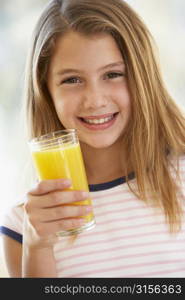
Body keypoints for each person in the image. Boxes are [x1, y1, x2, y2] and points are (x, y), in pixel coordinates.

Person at [1, 0, 185, 278]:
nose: (95, 100)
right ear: (46, 89)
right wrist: (38, 248)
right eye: (72, 80)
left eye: (113, 74)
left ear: (142, 78)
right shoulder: (24, 226)